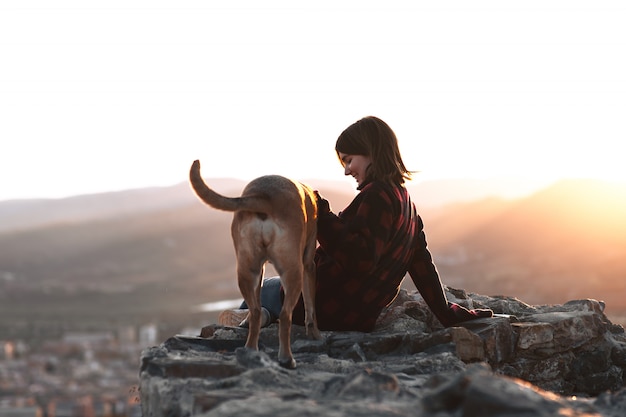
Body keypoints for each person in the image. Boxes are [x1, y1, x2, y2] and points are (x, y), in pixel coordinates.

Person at [219, 116, 493, 332]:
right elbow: (422, 266)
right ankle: (268, 316)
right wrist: (447, 313)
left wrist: (318, 210)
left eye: (349, 160)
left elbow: (358, 258)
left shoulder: (376, 197)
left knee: (264, 289)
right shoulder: (406, 204)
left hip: (322, 307)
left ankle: (252, 326)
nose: (346, 170)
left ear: (371, 152)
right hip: (358, 318)